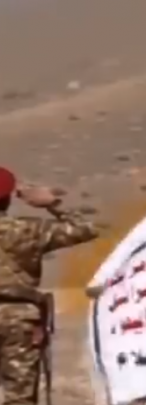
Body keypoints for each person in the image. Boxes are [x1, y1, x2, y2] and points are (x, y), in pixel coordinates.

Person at [0, 167, 100, 405]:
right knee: (20, 398)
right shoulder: (29, 230)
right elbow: (86, 228)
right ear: (8, 198)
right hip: (18, 319)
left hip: (20, 318)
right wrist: (51, 203)